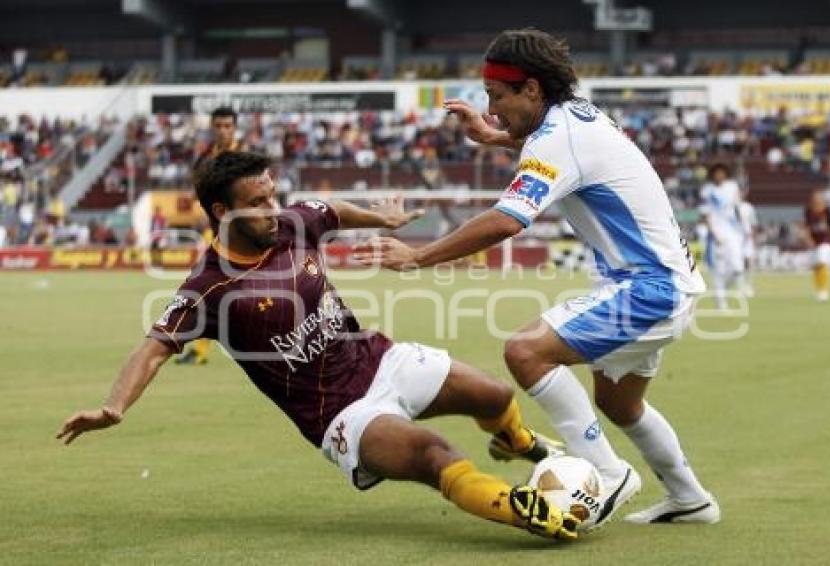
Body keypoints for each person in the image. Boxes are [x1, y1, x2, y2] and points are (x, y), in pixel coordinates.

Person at [56, 151, 579, 542]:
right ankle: (525, 511)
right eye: (257, 202)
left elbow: (327, 209)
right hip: (340, 413)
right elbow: (153, 347)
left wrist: (382, 219)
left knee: (492, 396)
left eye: (272, 195)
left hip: (378, 358)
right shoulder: (209, 287)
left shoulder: (289, 224)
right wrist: (114, 406)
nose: (273, 209)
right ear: (221, 211)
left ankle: (516, 441)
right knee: (434, 454)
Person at [355, 28, 719, 526]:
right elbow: (547, 149)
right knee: (619, 403)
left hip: (649, 288)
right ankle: (690, 498)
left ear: (532, 89)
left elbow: (507, 220)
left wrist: (418, 257)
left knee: (525, 350)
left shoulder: (557, 138)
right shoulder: (575, 117)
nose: (491, 107)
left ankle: (606, 474)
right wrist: (494, 136)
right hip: (663, 283)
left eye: (497, 97)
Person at [176, 106, 246, 366]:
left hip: (247, 234)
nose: (223, 131)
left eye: (228, 126)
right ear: (212, 127)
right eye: (219, 126)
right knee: (206, 287)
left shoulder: (247, 155)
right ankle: (201, 349)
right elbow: (200, 191)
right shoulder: (205, 158)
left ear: (235, 128)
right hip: (220, 234)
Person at [700, 163, 746, 309]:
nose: (719, 176)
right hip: (717, 233)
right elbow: (706, 214)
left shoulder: (732, 187)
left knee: (737, 268)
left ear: (726, 174)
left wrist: (742, 226)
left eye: (722, 173)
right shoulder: (707, 191)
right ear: (712, 175)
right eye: (716, 173)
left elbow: (737, 207)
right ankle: (720, 300)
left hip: (733, 231)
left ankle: (724, 289)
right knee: (718, 269)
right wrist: (713, 233)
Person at [803, 190, 830, 302]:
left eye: (818, 198)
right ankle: (819, 289)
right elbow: (806, 227)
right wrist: (808, 240)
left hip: (825, 241)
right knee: (816, 266)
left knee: (823, 262)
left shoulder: (827, 211)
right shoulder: (808, 211)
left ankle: (824, 290)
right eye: (814, 198)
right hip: (813, 243)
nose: (816, 200)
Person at [737, 190, 758, 297]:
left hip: (747, 238)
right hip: (735, 239)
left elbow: (753, 223)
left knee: (749, 263)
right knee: (738, 264)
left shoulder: (748, 207)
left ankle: (749, 286)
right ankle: (740, 286)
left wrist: (753, 239)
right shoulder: (731, 207)